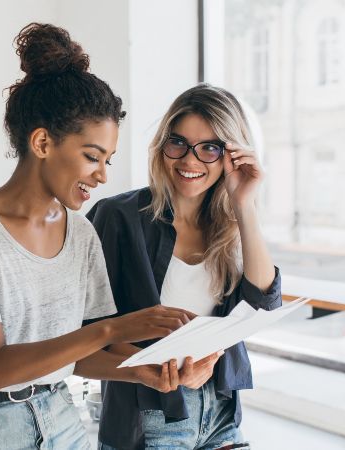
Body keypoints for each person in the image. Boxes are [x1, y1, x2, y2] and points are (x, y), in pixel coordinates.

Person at [0, 23, 195, 450]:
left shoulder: (81, 233)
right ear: (43, 142)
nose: (102, 175)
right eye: (92, 156)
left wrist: (140, 369)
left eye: (108, 160)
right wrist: (111, 330)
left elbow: (75, 356)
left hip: (60, 414)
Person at [85, 84, 282, 449]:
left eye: (210, 148)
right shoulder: (119, 217)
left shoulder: (231, 224)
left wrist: (245, 205)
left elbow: (263, 305)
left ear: (231, 155)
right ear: (162, 146)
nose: (190, 161)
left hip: (221, 413)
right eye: (178, 143)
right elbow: (87, 333)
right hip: (149, 416)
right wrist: (163, 369)